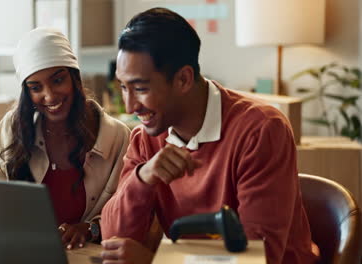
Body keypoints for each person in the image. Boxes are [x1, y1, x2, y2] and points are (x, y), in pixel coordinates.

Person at [100, 8, 319, 264]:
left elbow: (260, 256)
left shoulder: (261, 130)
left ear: (183, 79)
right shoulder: (145, 137)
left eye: (140, 89)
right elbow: (113, 240)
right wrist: (143, 178)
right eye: (124, 88)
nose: (130, 107)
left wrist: (156, 261)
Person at [0, 27, 130, 250]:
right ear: (27, 92)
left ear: (74, 76)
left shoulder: (116, 136)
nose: (49, 95)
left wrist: (90, 228)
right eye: (36, 87)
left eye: (57, 80)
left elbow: (131, 211)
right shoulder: (13, 128)